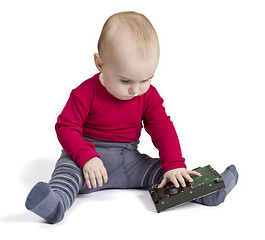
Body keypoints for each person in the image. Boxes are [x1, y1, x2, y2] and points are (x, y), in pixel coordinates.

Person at [25, 11, 238, 224]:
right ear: (100, 64)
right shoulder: (84, 93)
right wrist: (86, 157)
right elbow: (66, 127)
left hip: (128, 162)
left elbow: (162, 127)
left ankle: (210, 192)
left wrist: (173, 164)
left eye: (146, 79)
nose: (135, 90)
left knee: (167, 174)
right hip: (86, 163)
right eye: (125, 81)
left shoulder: (148, 95)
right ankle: (55, 205)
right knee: (66, 175)